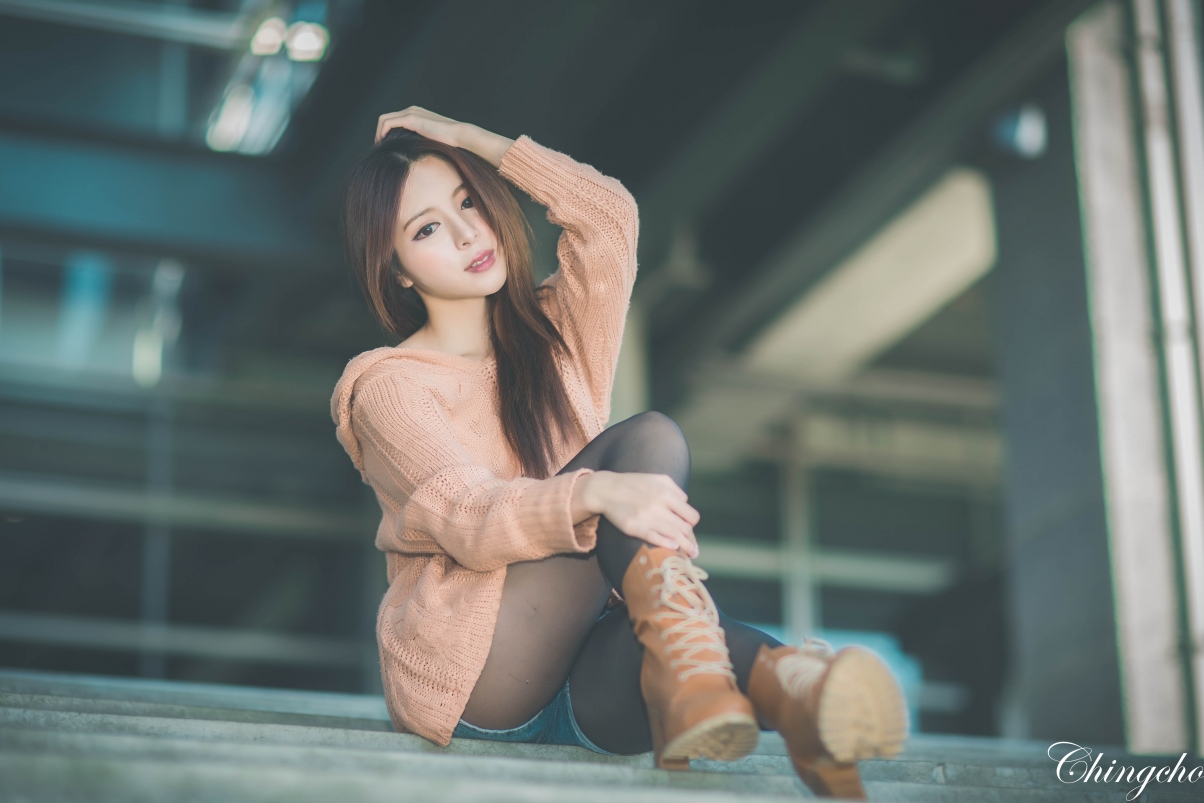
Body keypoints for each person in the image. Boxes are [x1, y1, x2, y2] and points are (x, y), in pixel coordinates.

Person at [331, 107, 908, 799]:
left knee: (662, 641)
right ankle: (752, 676)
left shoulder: (557, 334)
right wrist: (595, 492)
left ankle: (799, 694)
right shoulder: (388, 383)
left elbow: (608, 217)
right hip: (480, 679)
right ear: (394, 269)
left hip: (586, 681)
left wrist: (472, 141)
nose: (466, 233)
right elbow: (464, 512)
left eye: (468, 201)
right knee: (650, 438)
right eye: (427, 229)